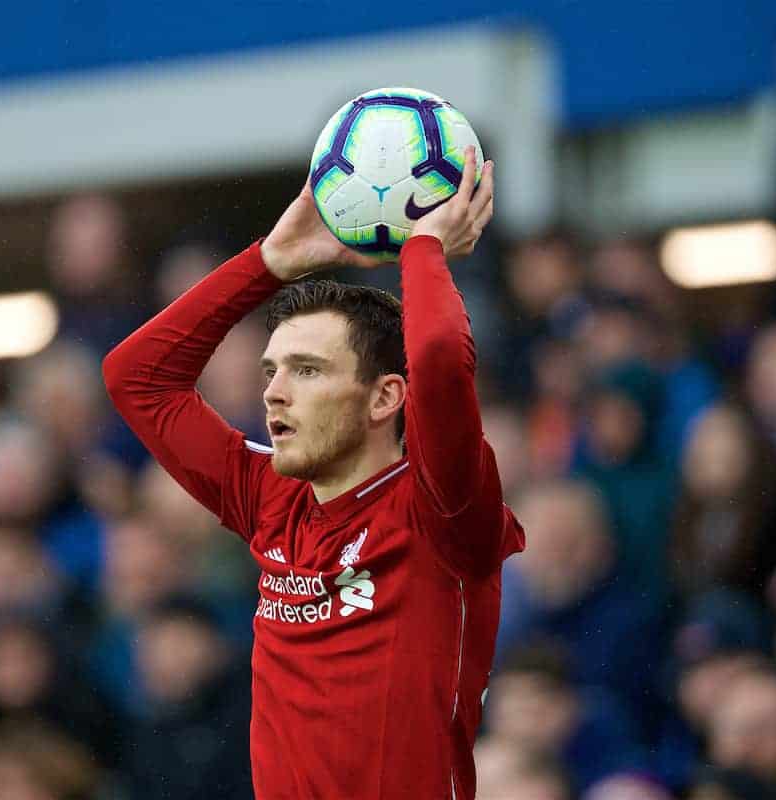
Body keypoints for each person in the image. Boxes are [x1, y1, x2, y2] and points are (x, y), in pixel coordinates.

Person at [103, 149, 524, 799]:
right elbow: (137, 378)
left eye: (308, 371)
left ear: (385, 399)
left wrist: (423, 249)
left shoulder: (442, 510)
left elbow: (437, 356)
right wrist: (266, 264)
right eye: (272, 370)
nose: (273, 393)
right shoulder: (268, 494)